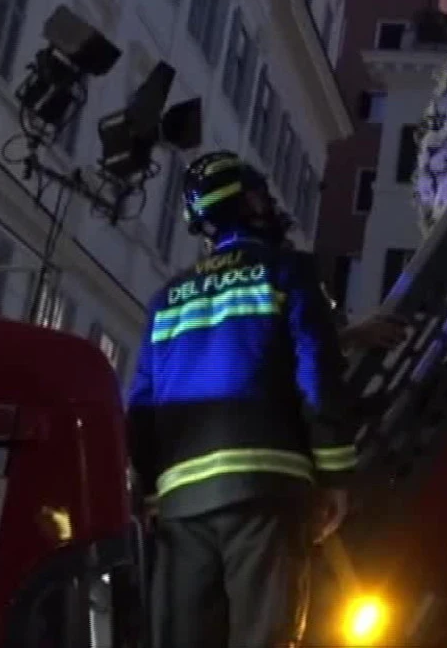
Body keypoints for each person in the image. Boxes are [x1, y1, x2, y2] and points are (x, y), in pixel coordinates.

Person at [127, 150, 362, 648]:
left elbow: (141, 407)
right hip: (265, 493)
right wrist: (335, 475)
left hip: (181, 508)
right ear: (252, 200)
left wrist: (149, 494)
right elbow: (316, 374)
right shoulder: (287, 272)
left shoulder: (166, 299)